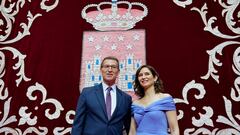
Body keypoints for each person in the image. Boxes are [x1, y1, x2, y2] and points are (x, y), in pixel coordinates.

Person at [71, 56, 132, 135]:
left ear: (118, 71)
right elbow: (78, 123)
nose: (110, 70)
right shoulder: (87, 93)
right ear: (101, 70)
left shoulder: (126, 98)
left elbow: (129, 127)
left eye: (113, 67)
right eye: (106, 66)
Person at [129, 65, 179, 135]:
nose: (143, 77)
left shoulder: (165, 99)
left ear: (155, 78)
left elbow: (174, 129)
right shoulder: (135, 104)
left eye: (147, 74)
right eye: (140, 75)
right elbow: (132, 132)